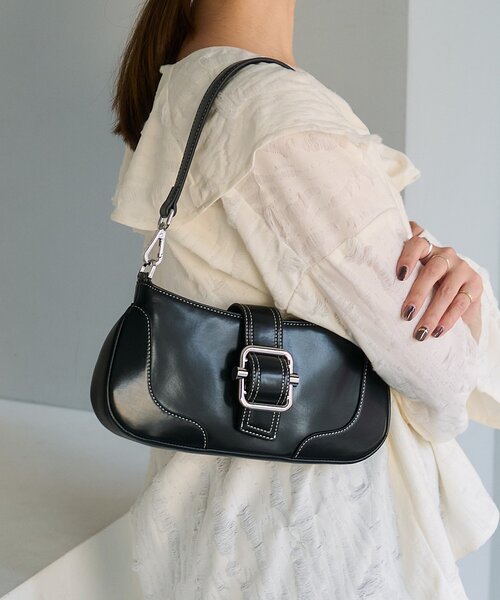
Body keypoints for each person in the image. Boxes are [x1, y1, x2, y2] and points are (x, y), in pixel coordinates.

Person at [108, 1, 500, 598]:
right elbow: (439, 382)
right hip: (316, 542)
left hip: (227, 530)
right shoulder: (274, 114)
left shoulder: (193, 79)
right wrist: (463, 309)